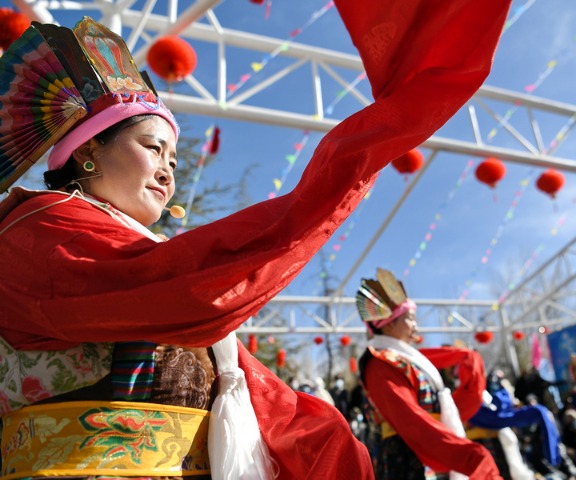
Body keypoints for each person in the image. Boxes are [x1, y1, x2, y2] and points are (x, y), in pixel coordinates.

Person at [0, 1, 511, 478]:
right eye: (153, 148)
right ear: (88, 150)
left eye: (174, 160)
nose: (168, 171)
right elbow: (192, 290)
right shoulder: (37, 230)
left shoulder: (113, 244)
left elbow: (264, 395)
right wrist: (359, 155)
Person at [356, 268, 500, 479]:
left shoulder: (405, 361)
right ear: (388, 325)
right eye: (410, 318)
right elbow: (411, 420)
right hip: (405, 457)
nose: (416, 326)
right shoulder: (380, 364)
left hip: (427, 447)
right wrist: (468, 456)